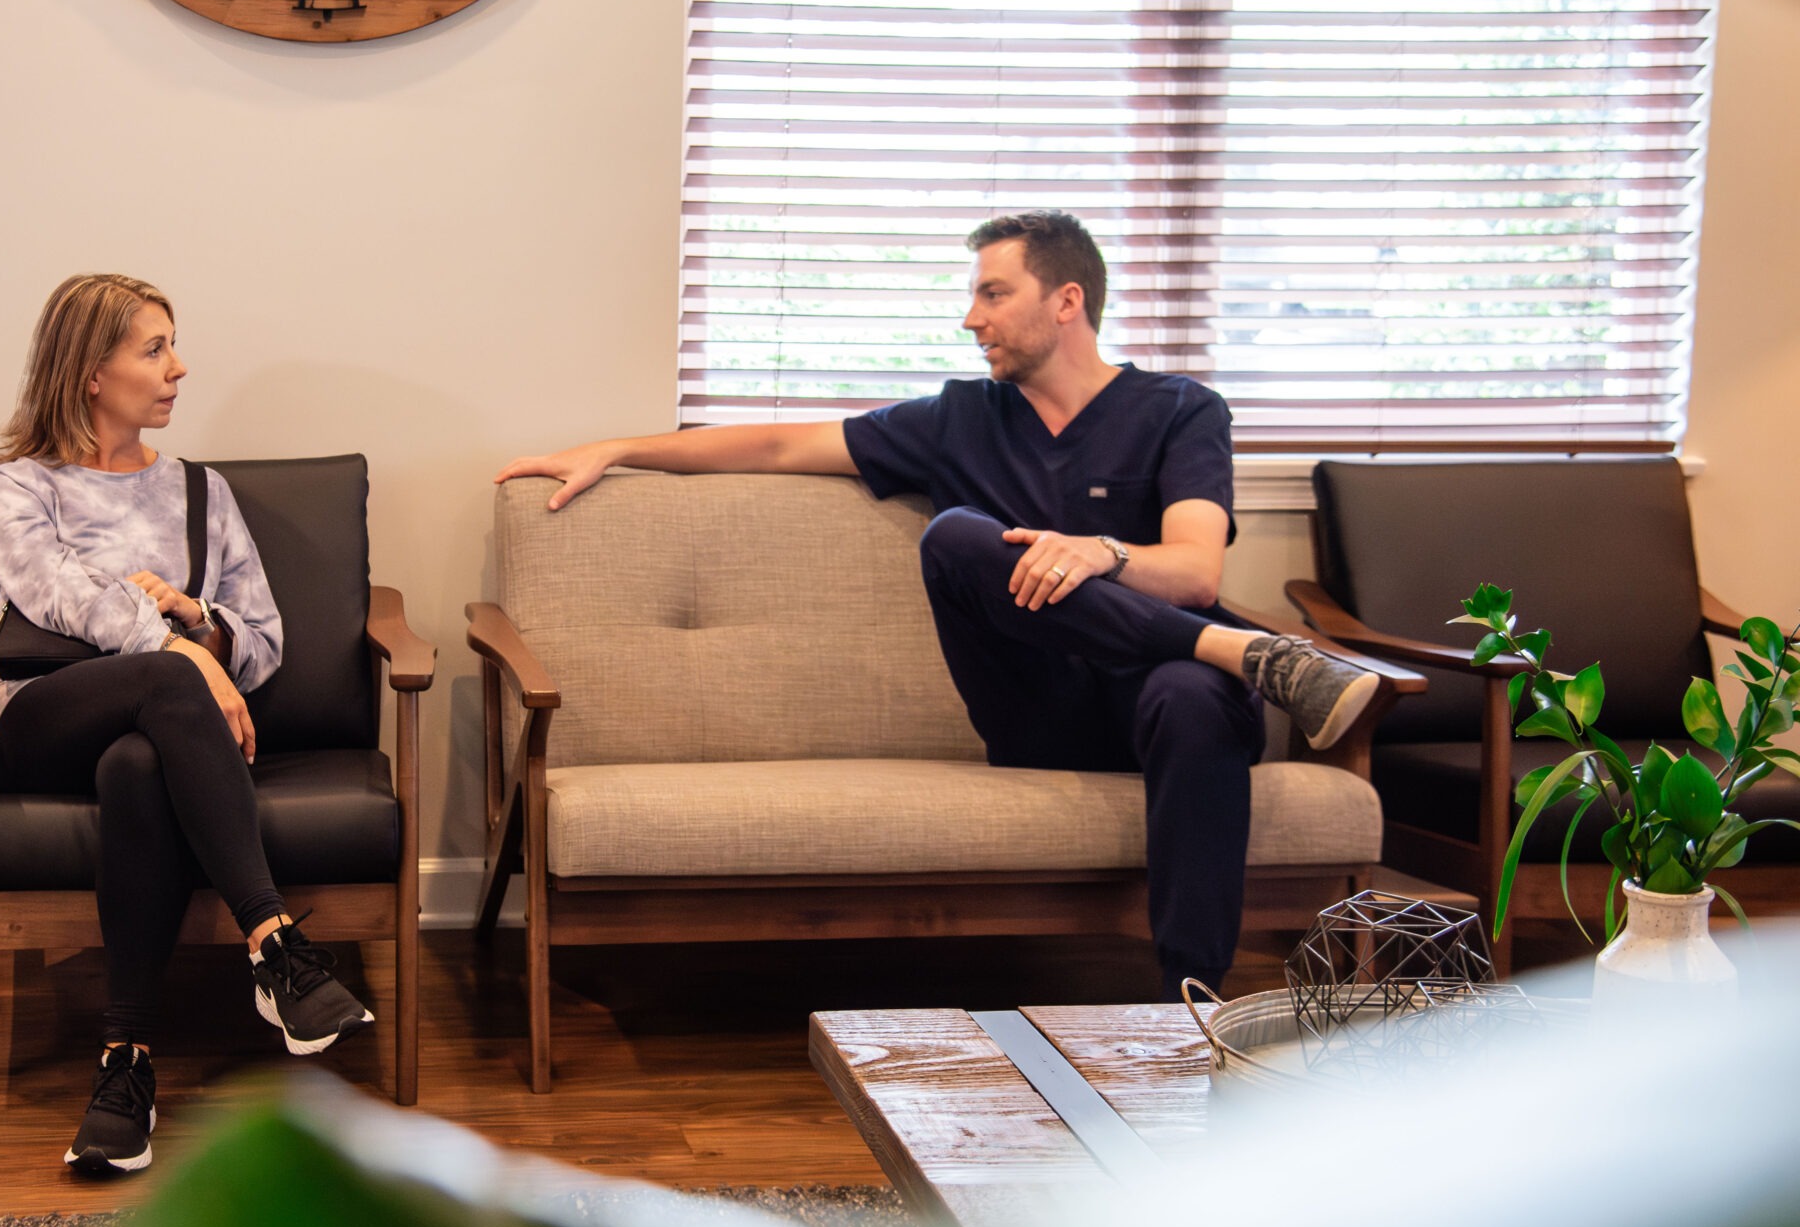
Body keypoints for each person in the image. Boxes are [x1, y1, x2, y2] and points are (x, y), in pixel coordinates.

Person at [495, 211, 1379, 994]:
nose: (972, 318)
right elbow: (775, 442)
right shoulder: (960, 418)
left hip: (1158, 703)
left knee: (1189, 695)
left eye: (994, 293)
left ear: (1066, 300)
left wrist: (1099, 553)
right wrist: (615, 447)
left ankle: (1189, 1003)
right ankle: (1239, 652)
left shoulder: (1181, 410)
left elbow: (1193, 572)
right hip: (1039, 711)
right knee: (958, 533)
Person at [0, 273, 372, 1175]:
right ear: (88, 371)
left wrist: (200, 619)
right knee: (157, 688)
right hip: (35, 720)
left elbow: (264, 639)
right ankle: (274, 942)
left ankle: (126, 1063)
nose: (178, 367)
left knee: (137, 768)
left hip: (143, 740)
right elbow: (58, 595)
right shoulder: (18, 486)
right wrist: (179, 653)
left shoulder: (202, 493)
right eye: (154, 348)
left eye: (171, 344)